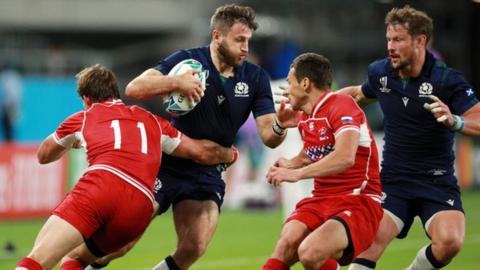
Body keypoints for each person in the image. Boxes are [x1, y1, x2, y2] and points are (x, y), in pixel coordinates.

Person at [89, 4, 294, 270]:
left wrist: (282, 124)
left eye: (248, 41)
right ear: (217, 36)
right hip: (166, 164)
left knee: (194, 246)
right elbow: (134, 87)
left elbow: (269, 135)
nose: (246, 48)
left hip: (208, 172)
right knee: (121, 242)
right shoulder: (186, 61)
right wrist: (176, 83)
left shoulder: (255, 78)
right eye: (239, 40)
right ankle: (82, 262)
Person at [14, 64, 238, 270]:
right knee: (77, 258)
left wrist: (68, 143)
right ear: (115, 92)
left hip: (102, 185)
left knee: (38, 258)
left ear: (86, 98)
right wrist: (230, 153)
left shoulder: (84, 117)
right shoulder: (151, 120)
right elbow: (199, 152)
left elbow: (43, 154)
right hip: (139, 205)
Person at [339, 6, 480, 270]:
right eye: (389, 39)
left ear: (420, 41)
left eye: (399, 40)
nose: (391, 47)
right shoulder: (380, 73)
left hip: (437, 181)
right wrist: (315, 103)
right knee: (367, 243)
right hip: (394, 181)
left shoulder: (447, 80)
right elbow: (358, 95)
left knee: (451, 242)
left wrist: (455, 121)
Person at [263, 53, 383, 270]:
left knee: (310, 252)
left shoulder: (342, 105)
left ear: (305, 83)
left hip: (358, 199)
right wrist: (291, 163)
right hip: (321, 198)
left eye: (290, 83)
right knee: (287, 242)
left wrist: (296, 174)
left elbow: (344, 157)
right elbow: (313, 152)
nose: (286, 90)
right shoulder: (307, 116)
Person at [0, 63, 22, 142]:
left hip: (9, 107)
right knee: (9, 130)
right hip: (12, 106)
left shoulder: (7, 77)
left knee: (9, 130)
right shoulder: (15, 77)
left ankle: (9, 147)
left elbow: (10, 96)